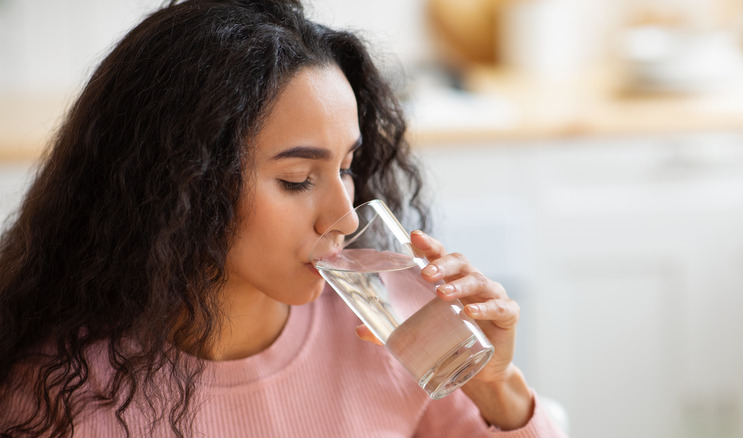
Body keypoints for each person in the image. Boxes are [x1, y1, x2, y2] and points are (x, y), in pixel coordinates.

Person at [0, 1, 568, 437]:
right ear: (182, 183)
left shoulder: (396, 322)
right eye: (298, 179)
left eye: (347, 166)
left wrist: (498, 389)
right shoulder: (60, 392)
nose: (345, 218)